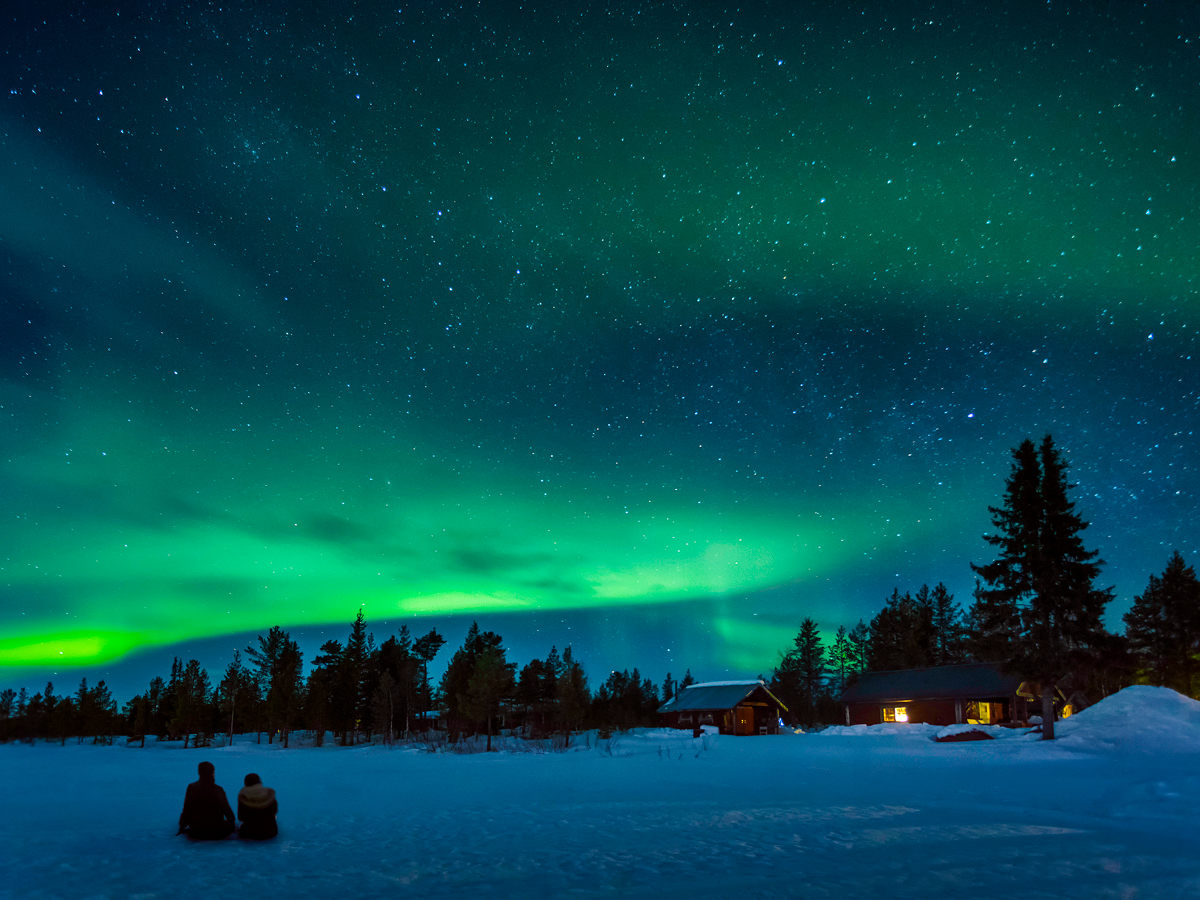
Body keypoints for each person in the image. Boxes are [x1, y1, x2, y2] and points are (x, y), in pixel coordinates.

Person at [177, 761, 235, 840]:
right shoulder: (218, 789)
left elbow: (187, 808)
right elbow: (226, 808)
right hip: (217, 830)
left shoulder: (192, 788)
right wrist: (232, 823)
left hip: (197, 831)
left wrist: (182, 825)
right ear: (212, 773)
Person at [236, 772, 278, 840]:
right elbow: (274, 811)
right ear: (259, 782)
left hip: (249, 833)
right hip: (271, 832)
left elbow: (241, 817)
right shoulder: (270, 794)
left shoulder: (243, 796)